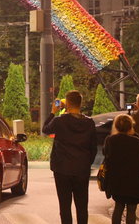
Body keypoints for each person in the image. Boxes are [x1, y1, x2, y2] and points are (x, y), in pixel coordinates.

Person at [42, 90, 97, 224]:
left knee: (65, 205)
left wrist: (53, 112)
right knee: (82, 205)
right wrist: (86, 163)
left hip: (62, 169)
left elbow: (45, 129)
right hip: (81, 169)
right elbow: (93, 148)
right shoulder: (89, 123)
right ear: (80, 103)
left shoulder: (59, 121)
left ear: (67, 104)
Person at [104, 114, 139, 224]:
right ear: (130, 126)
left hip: (117, 179)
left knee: (118, 207)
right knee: (131, 210)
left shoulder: (110, 140)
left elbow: (105, 153)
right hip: (134, 180)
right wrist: (134, 134)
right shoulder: (136, 141)